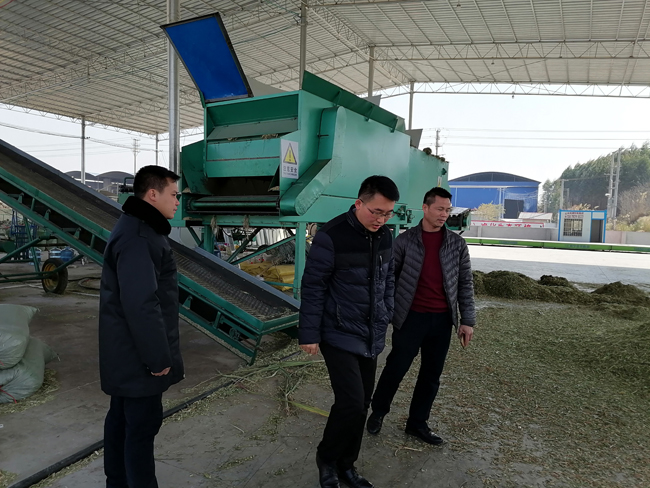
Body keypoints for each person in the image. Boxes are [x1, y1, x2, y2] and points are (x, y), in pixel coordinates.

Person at [299, 175, 399, 488]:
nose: (381, 220)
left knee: (363, 404)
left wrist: (387, 311)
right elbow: (313, 287)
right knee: (351, 403)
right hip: (339, 331)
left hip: (370, 332)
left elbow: (388, 280)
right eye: (376, 212)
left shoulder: (386, 237)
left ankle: (347, 465)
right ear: (358, 203)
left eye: (387, 214)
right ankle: (327, 459)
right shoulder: (331, 236)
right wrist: (309, 334)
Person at [366, 186, 476, 445]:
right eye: (439, 209)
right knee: (396, 367)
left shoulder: (457, 244)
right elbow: (388, 279)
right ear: (425, 208)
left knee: (431, 375)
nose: (444, 214)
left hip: (442, 320)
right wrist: (387, 311)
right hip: (410, 317)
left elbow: (465, 283)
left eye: (448, 210)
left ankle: (417, 423)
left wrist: (467, 321)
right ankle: (378, 412)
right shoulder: (405, 241)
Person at [99, 165, 184, 488]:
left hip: (126, 353)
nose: (177, 202)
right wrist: (158, 358)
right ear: (152, 194)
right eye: (173, 194)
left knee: (121, 423)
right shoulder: (139, 237)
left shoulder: (139, 228)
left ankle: (117, 483)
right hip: (138, 359)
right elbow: (142, 304)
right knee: (140, 431)